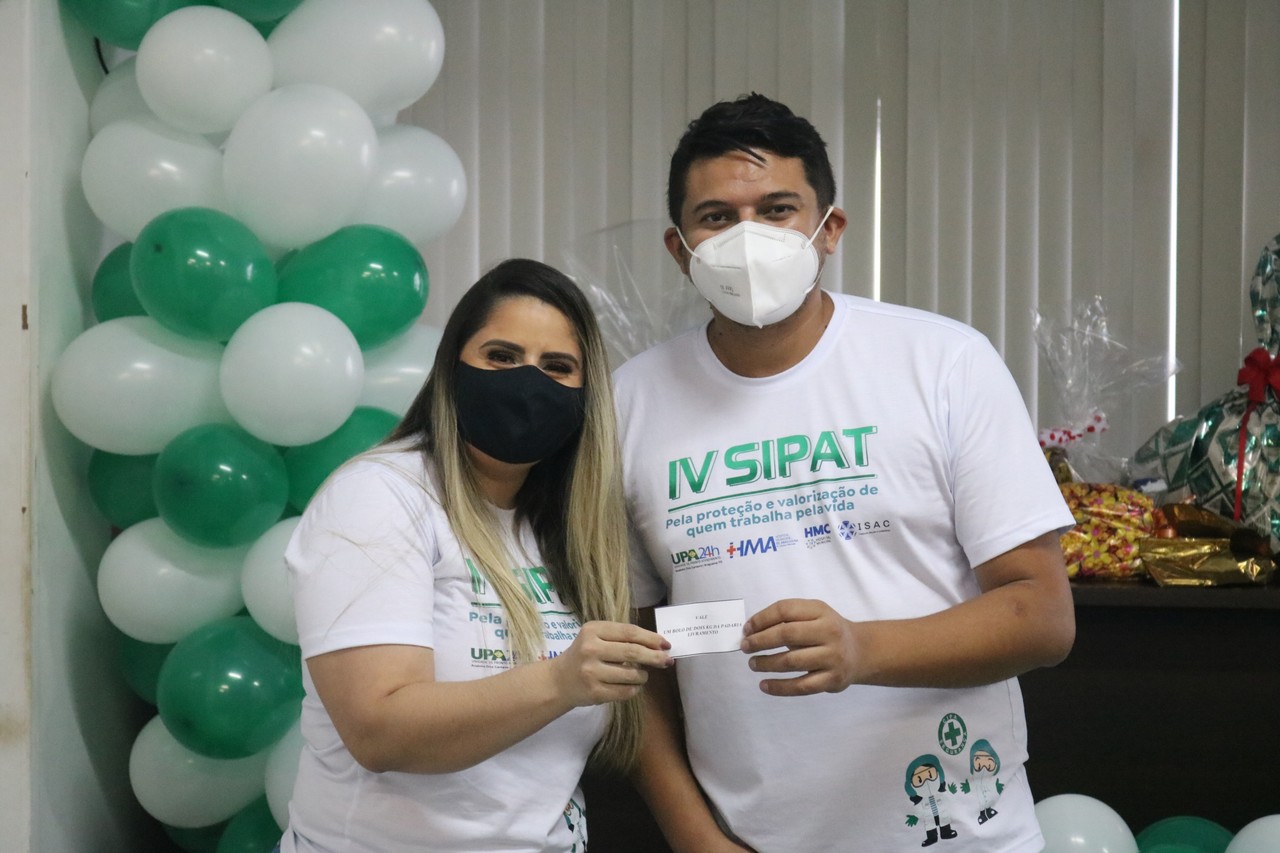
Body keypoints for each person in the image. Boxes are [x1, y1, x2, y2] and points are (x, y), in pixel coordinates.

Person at [614, 93, 1077, 851]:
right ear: (680, 247)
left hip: (961, 834)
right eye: (717, 217)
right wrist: (696, 837)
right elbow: (635, 656)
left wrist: (862, 649)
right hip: (752, 838)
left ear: (829, 229)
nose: (748, 239)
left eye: (777, 210)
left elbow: (1042, 615)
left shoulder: (943, 364)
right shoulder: (629, 404)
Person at [280, 258, 672, 853]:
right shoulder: (380, 496)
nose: (528, 382)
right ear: (452, 368)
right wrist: (559, 680)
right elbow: (381, 732)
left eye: (557, 366)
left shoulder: (567, 529)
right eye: (502, 356)